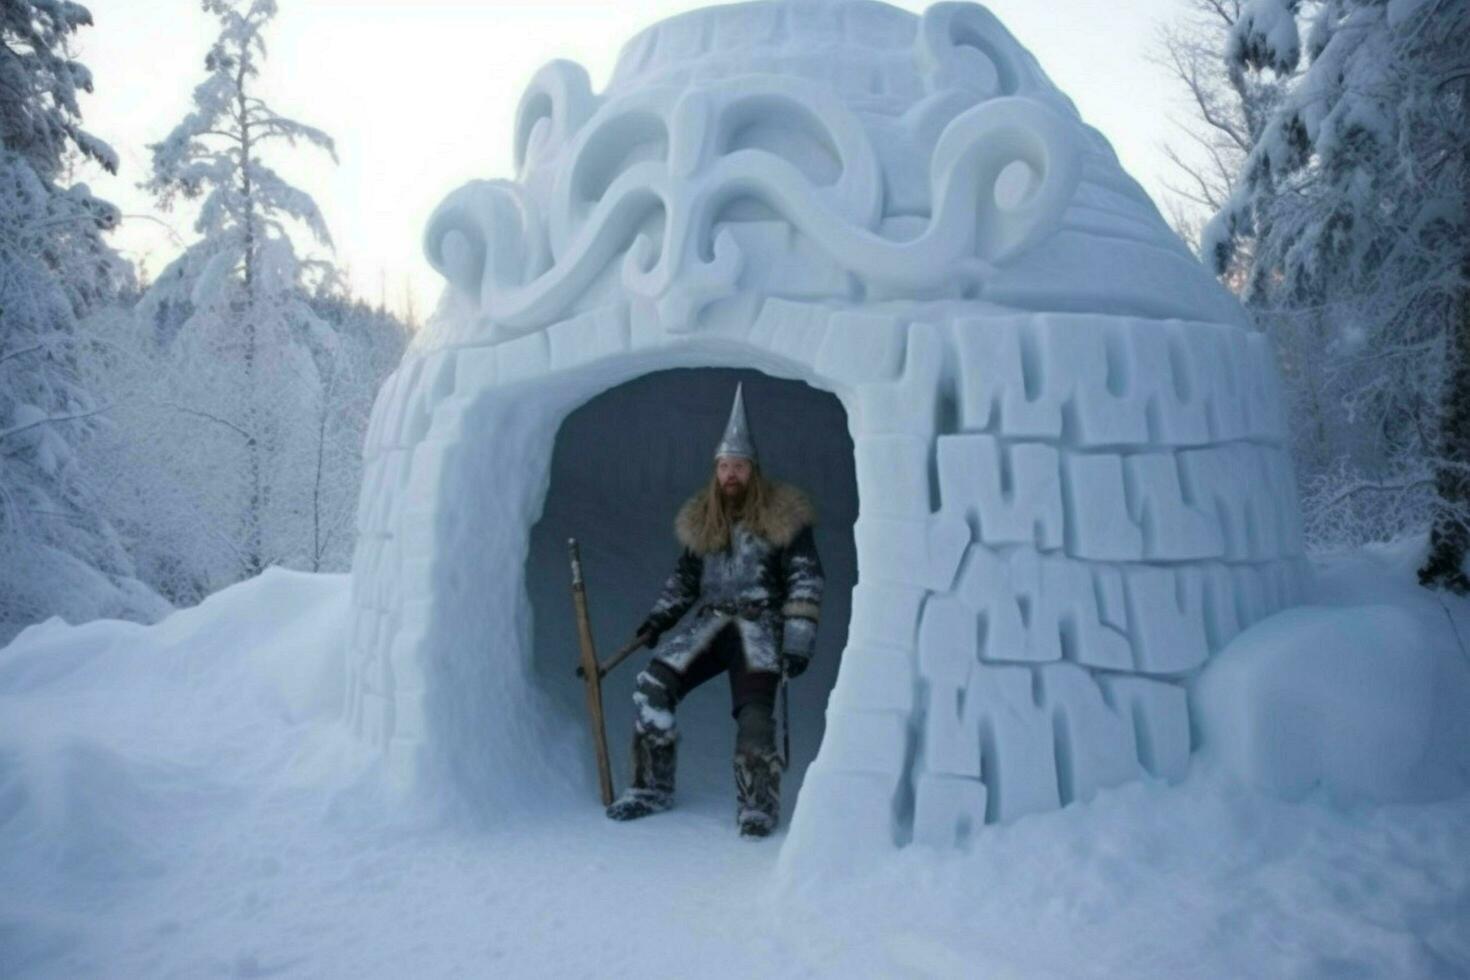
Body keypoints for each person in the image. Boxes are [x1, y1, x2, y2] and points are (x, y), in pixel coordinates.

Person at [605, 383, 825, 838]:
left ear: (753, 471)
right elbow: (685, 581)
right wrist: (659, 620)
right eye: (724, 466)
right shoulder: (705, 519)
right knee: (653, 686)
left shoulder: (782, 518)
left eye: (739, 466)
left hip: (758, 629)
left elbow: (805, 579)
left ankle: (757, 807)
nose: (730, 474)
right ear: (716, 471)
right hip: (708, 625)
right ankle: (651, 789)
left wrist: (797, 643)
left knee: (756, 718)